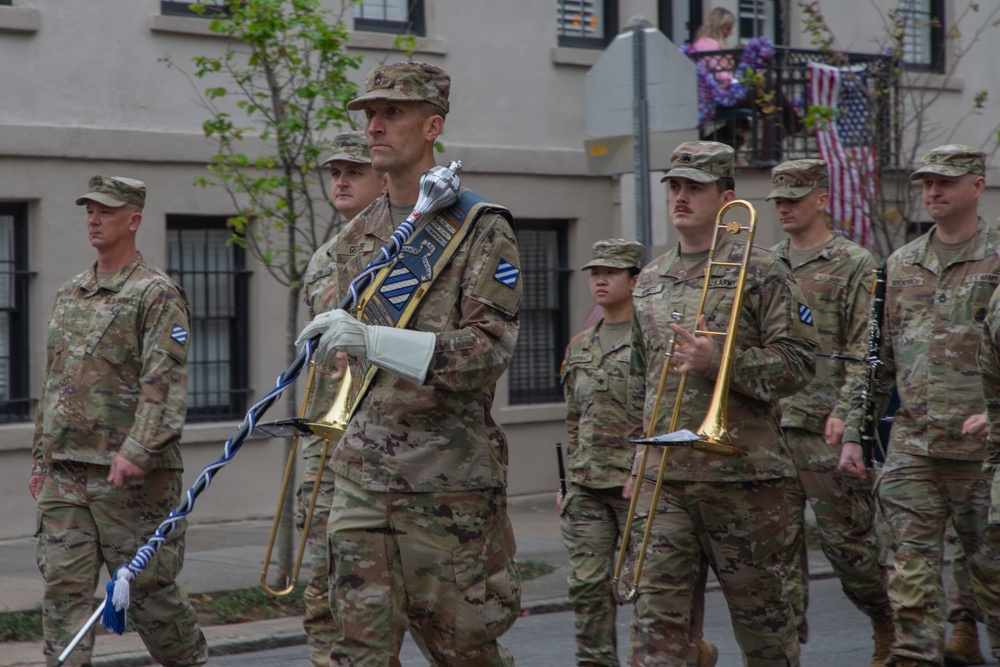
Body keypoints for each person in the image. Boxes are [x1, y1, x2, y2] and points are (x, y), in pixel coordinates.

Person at [294, 62, 522, 666]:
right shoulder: (351, 242)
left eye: (392, 113)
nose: (374, 126)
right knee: (356, 654)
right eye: (370, 113)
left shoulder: (479, 229)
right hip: (360, 479)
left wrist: (373, 341)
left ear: (432, 126)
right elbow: (345, 362)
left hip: (447, 485)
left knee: (464, 652)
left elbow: (488, 353)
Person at [627, 140, 819, 666]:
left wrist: (721, 362)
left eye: (695, 187)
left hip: (746, 481)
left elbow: (801, 363)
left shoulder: (764, 271)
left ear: (726, 196)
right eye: (675, 186)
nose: (681, 196)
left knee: (763, 630)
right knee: (656, 629)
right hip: (666, 478)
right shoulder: (648, 280)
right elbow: (638, 379)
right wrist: (634, 463)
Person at [29, 176, 207, 667]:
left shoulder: (156, 293)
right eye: (89, 209)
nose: (93, 218)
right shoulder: (71, 292)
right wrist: (41, 458)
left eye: (106, 211)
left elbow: (163, 381)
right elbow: (54, 381)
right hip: (66, 475)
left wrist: (139, 450)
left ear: (133, 219)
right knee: (63, 595)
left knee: (150, 597)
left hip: (130, 479)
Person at [842, 144, 1000, 667]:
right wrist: (854, 434)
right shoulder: (900, 264)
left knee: (992, 580)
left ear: (976, 186)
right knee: (910, 578)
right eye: (927, 183)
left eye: (945, 183)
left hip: (985, 453)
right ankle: (914, 656)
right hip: (914, 446)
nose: (933, 192)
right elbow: (875, 359)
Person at [767, 159, 894, 665]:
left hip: (825, 427)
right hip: (771, 428)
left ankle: (886, 619)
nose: (785, 208)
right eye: (778, 199)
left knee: (851, 551)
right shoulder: (766, 262)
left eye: (795, 198)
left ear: (822, 199)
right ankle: (783, 648)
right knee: (774, 558)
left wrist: (850, 417)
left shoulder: (854, 263)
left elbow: (868, 350)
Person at [296, 130, 386, 666]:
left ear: (381, 177)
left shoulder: (409, 249)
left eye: (353, 170)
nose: (342, 181)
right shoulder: (323, 258)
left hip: (389, 441)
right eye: (335, 172)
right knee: (322, 590)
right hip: (328, 441)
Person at [559, 238, 644, 667]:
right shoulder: (579, 346)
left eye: (611, 272)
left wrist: (643, 471)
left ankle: (683, 653)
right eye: (595, 273)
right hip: (588, 486)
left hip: (638, 487)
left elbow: (663, 414)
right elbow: (575, 419)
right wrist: (569, 481)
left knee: (650, 594)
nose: (601, 280)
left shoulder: (652, 341)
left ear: (635, 279)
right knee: (588, 588)